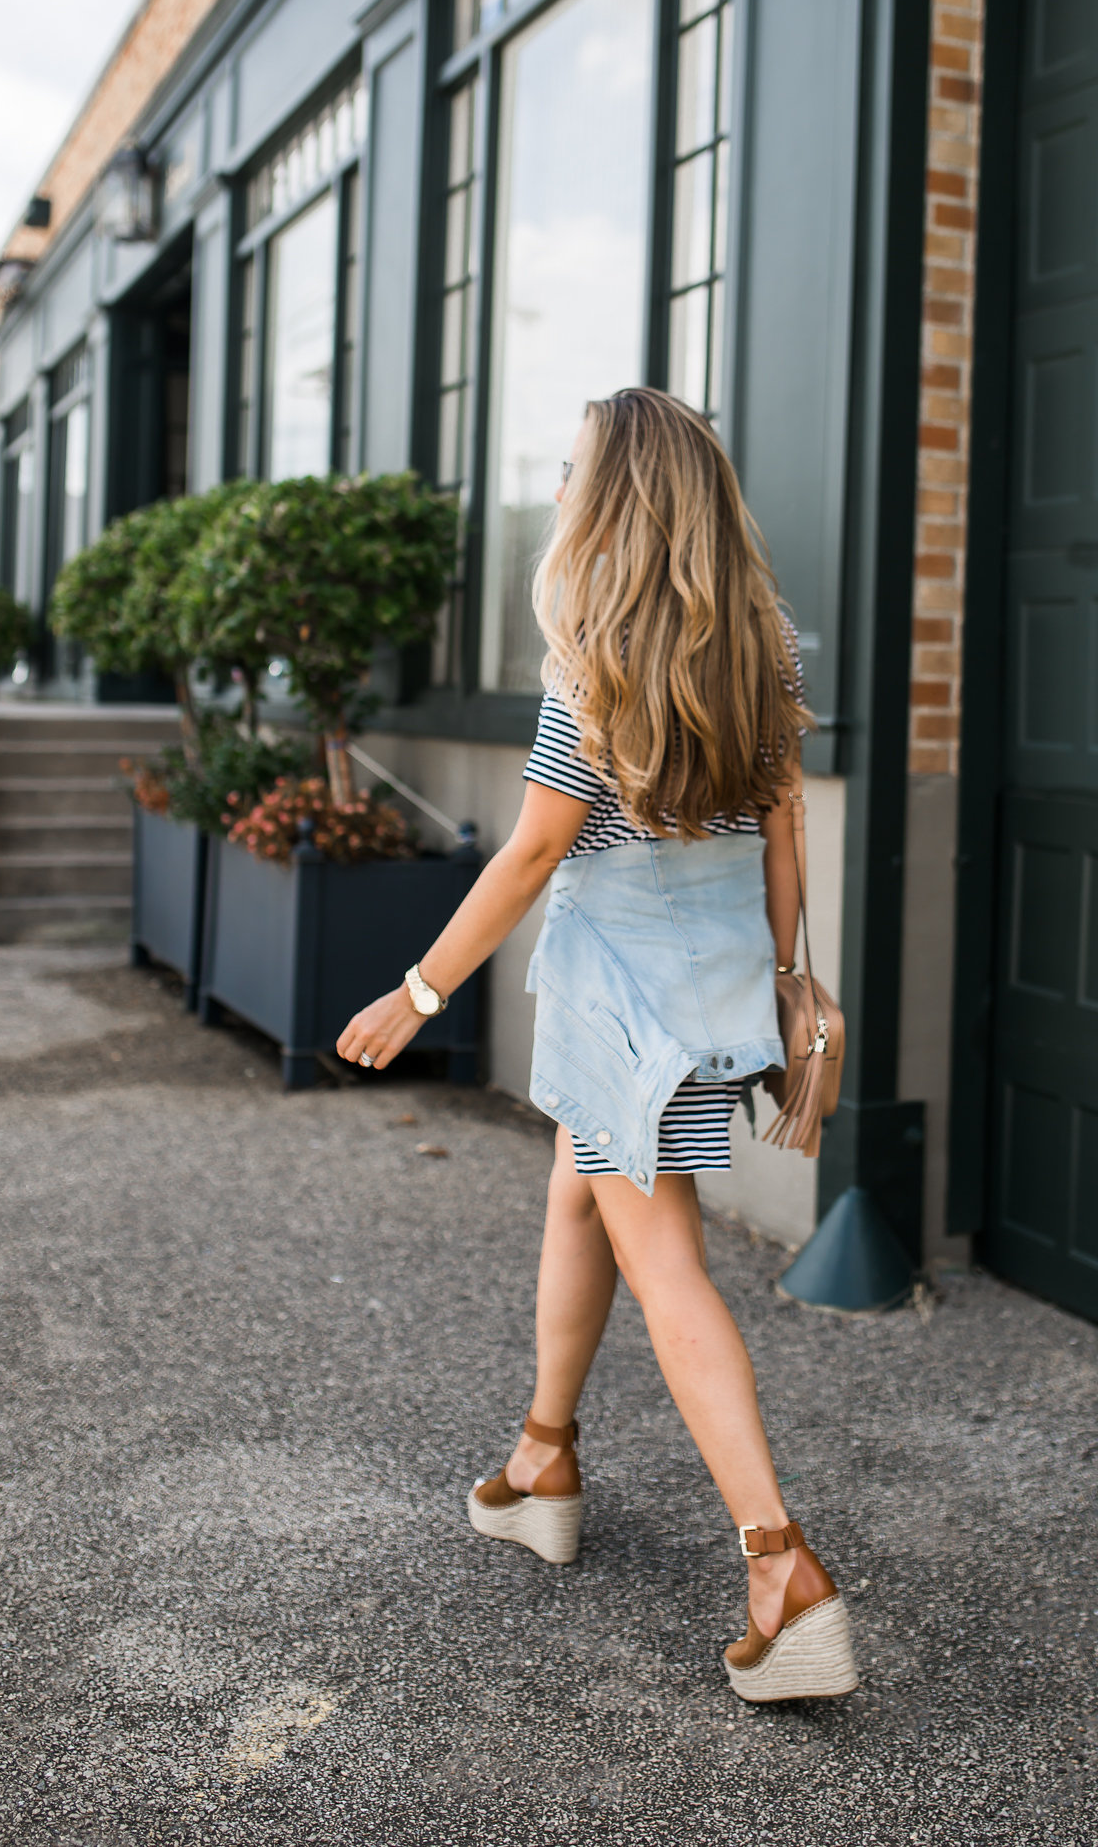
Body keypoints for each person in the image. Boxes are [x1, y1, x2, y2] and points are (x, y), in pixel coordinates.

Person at [336, 386, 857, 1704]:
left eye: (572, 471)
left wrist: (420, 988)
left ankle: (781, 1566)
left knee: (663, 1259)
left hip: (621, 996)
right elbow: (784, 833)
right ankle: (542, 1461)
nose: (560, 490)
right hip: (717, 977)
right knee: (580, 1191)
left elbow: (531, 853)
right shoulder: (768, 649)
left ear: (621, 497)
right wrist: (790, 977)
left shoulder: (593, 664)